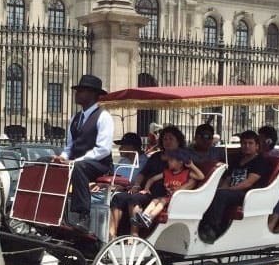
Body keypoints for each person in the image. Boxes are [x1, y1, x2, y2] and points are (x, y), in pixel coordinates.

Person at [51, 75, 114, 232]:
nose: (76, 94)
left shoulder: (104, 117)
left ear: (92, 94)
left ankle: (82, 215)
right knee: (46, 162)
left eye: (81, 91)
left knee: (78, 168)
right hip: (79, 162)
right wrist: (63, 158)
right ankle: (50, 208)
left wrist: (74, 161)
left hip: (100, 164)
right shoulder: (75, 118)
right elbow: (70, 146)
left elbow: (103, 149)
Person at [108, 126, 184, 239]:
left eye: (170, 139)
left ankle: (134, 234)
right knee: (118, 197)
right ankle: (112, 235)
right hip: (147, 190)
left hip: (163, 192)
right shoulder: (155, 156)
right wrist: (137, 185)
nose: (167, 141)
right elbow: (142, 173)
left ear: (178, 141)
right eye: (165, 139)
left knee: (134, 199)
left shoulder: (181, 158)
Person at [199, 130, 270, 242]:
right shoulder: (237, 160)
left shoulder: (260, 161)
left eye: (250, 143)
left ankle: (213, 228)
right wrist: (222, 188)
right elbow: (228, 178)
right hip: (231, 191)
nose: (247, 146)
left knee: (222, 195)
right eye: (244, 143)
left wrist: (228, 190)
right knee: (214, 193)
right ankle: (202, 225)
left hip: (248, 194)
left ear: (257, 146)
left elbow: (248, 182)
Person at [130, 149, 204, 231]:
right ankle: (144, 216)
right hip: (168, 196)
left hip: (178, 199)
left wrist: (191, 165)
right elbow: (152, 179)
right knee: (155, 200)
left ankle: (150, 218)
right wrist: (147, 188)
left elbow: (201, 177)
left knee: (162, 200)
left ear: (180, 162)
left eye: (171, 160)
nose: (169, 162)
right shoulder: (167, 173)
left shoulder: (186, 173)